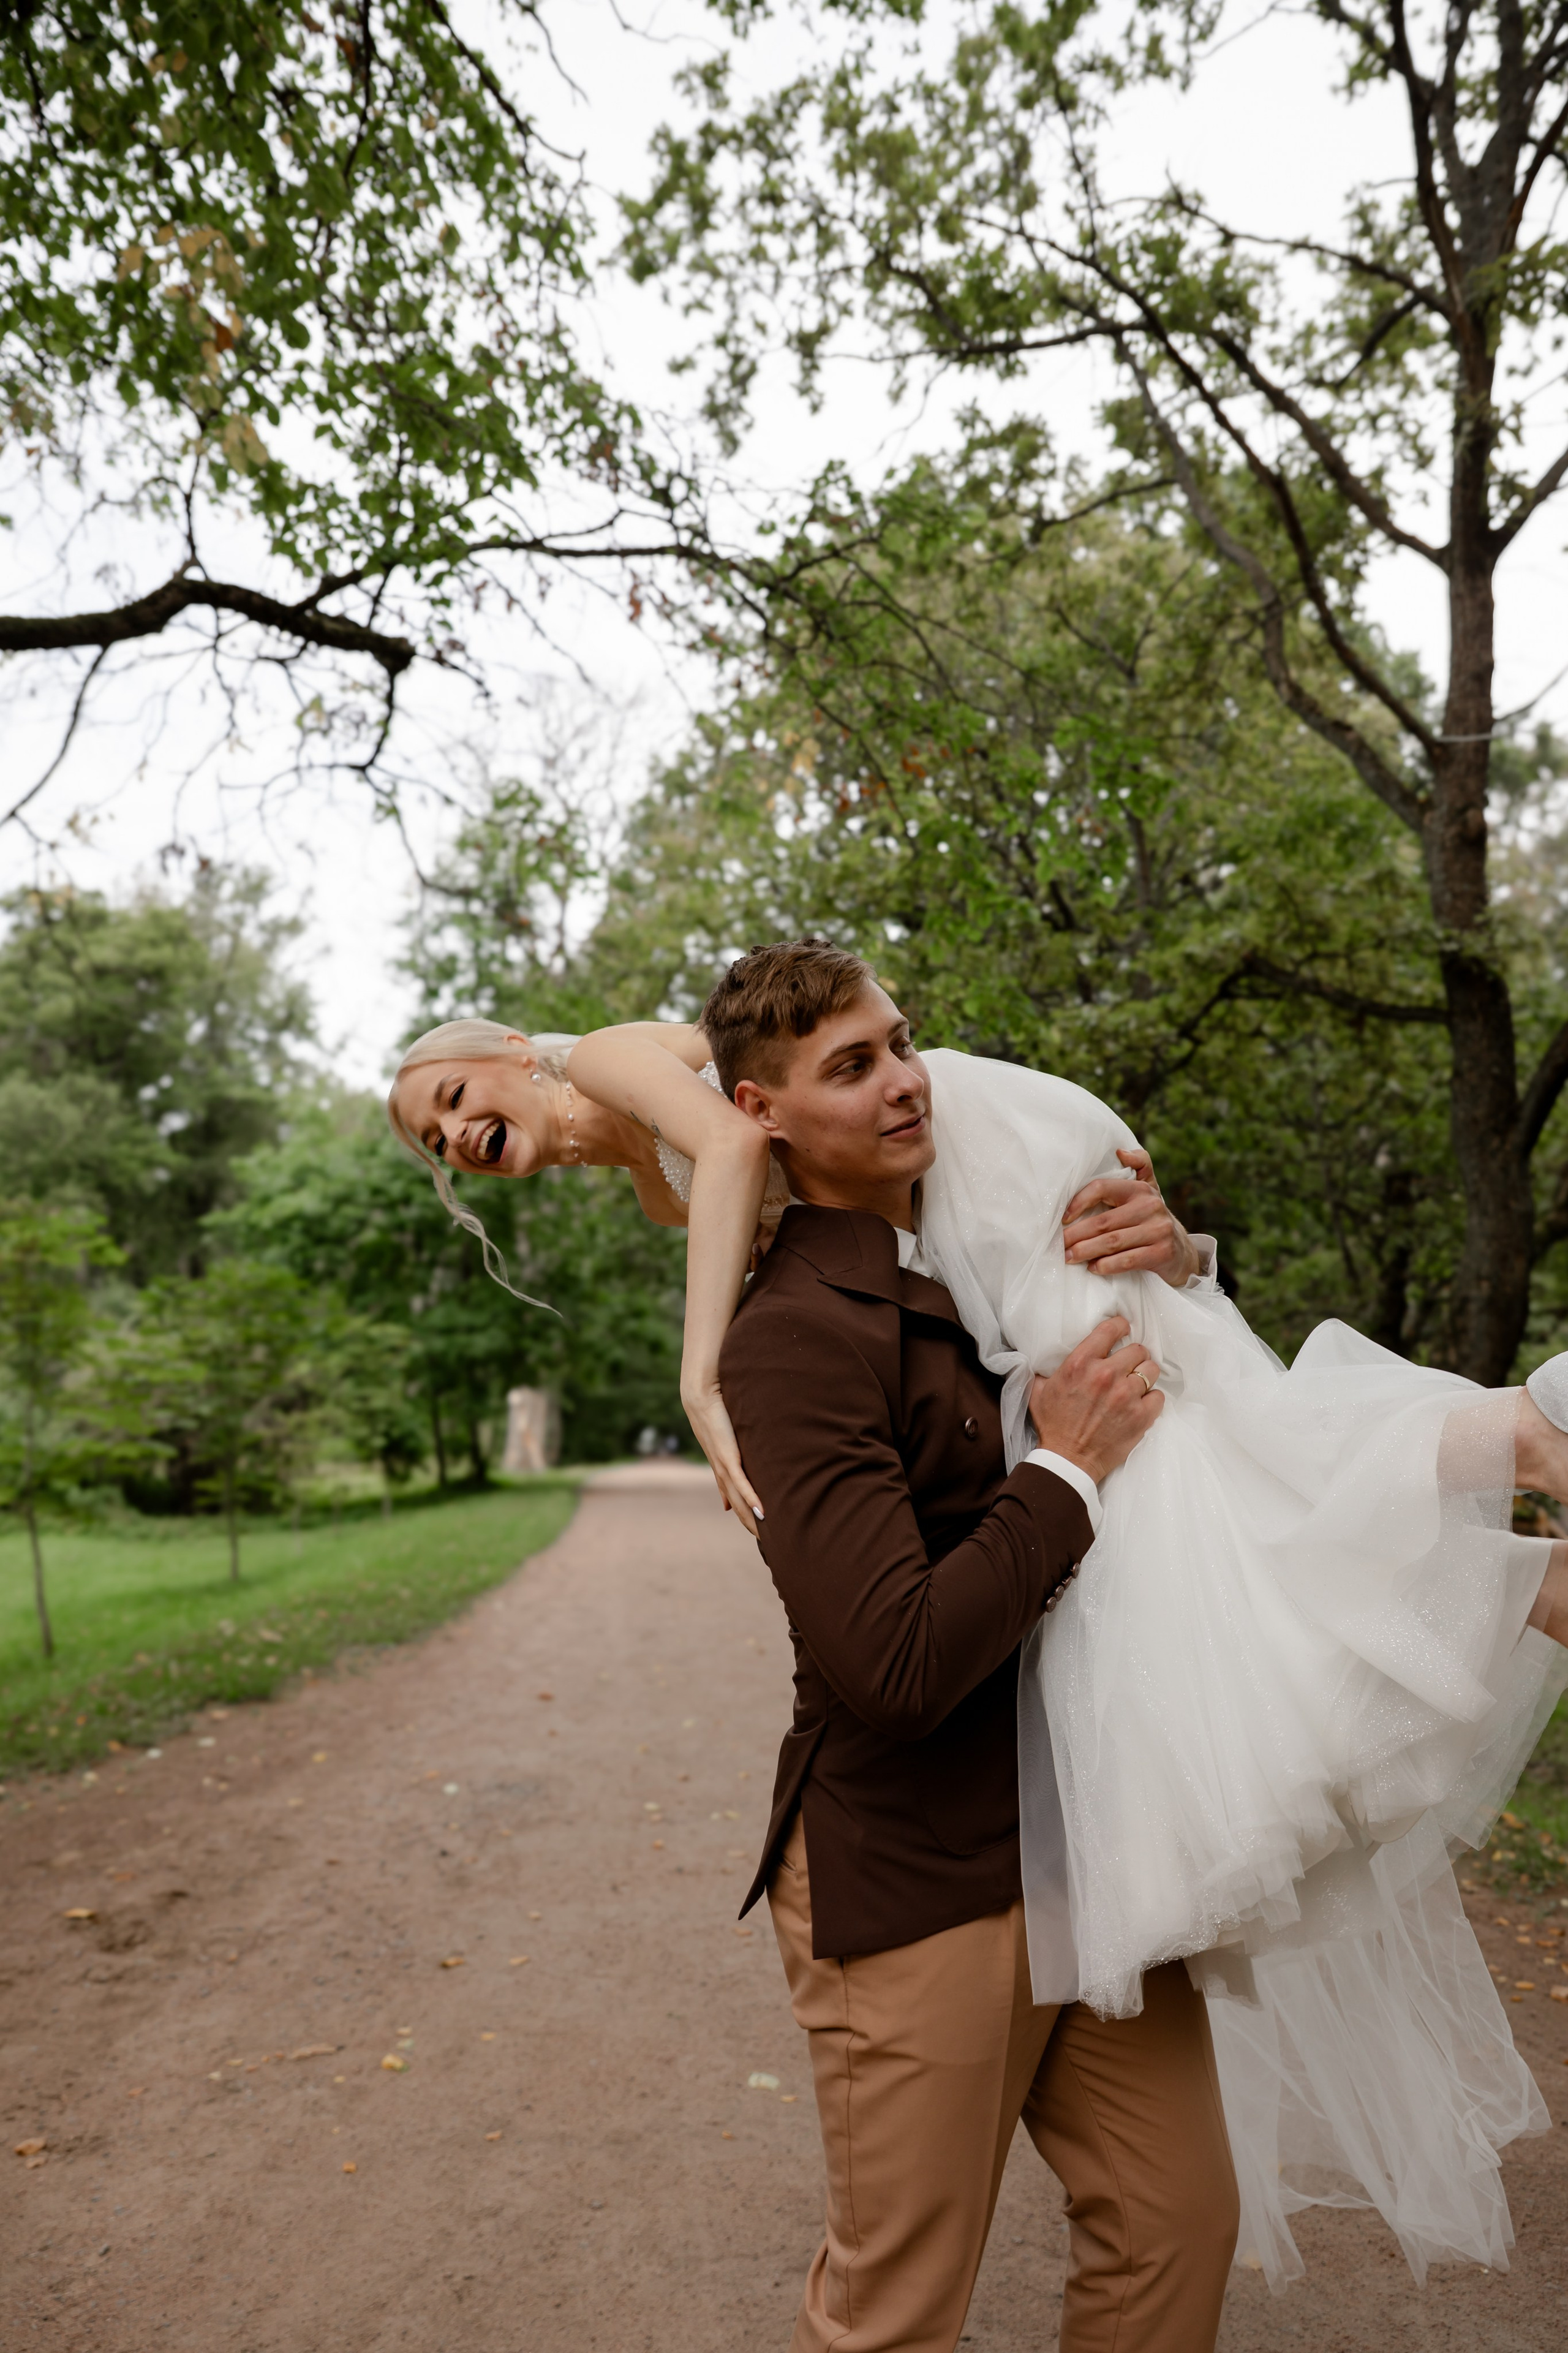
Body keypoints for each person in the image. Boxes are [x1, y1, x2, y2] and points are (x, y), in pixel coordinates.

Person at [387, 959, 1568, 2286]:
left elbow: (738, 1152)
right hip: (922, 1860)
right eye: (435, 1145)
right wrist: (1097, 1397)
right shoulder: (787, 1279)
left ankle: (1521, 1488)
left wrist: (696, 1368)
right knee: (1184, 1460)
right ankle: (1516, 1510)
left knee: (1173, 1455)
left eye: (447, 1097)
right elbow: (895, 1601)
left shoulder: (614, 1064)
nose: (452, 1137)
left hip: (1046, 1800)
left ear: (502, 1045)